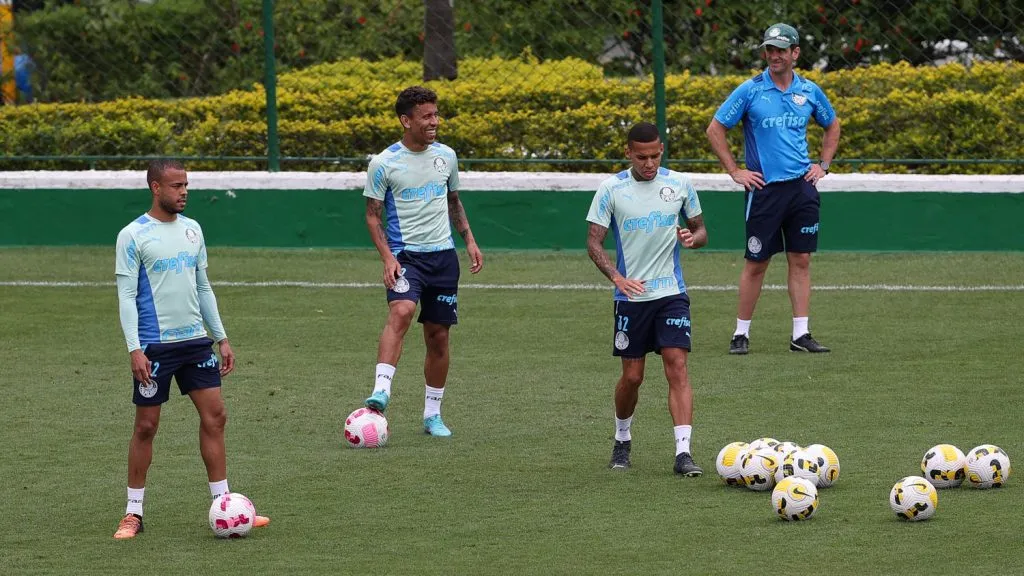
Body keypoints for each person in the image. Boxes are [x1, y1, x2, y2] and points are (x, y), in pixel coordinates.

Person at [112, 160, 268, 539]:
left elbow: (203, 287)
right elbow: (127, 295)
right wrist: (135, 349)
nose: (184, 192)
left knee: (216, 417)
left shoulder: (193, 230)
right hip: (154, 347)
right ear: (155, 188)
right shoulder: (132, 235)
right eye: (176, 186)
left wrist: (221, 336)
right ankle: (133, 513)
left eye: (186, 185)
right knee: (147, 426)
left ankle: (224, 504)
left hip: (196, 341)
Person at [705, 22, 841, 355]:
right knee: (757, 262)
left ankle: (801, 334)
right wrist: (735, 171)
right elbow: (715, 129)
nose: (774, 56)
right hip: (764, 190)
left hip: (802, 189)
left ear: (795, 53)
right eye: (770, 50)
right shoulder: (750, 90)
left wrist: (822, 165)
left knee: (801, 259)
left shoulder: (809, 91)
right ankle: (741, 333)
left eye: (781, 50)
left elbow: (832, 124)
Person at [585, 122, 707, 476]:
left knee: (677, 364)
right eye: (642, 157)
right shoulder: (611, 189)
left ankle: (683, 453)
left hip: (671, 292)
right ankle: (622, 438)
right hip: (630, 298)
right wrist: (617, 277)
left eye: (655, 155)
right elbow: (594, 241)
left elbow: (701, 231)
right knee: (633, 377)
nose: (649, 163)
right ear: (628, 153)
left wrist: (691, 238)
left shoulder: (680, 185)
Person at [362, 86, 483, 437]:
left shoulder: (447, 156)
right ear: (405, 120)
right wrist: (387, 258)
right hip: (406, 256)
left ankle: (432, 415)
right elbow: (372, 216)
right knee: (400, 311)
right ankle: (382, 389)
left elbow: (454, 201)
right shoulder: (384, 163)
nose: (434, 122)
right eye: (426, 116)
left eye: (435, 114)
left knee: (438, 337)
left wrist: (470, 241)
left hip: (443, 258)